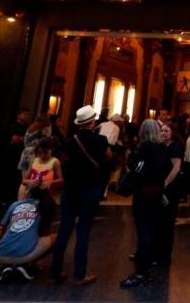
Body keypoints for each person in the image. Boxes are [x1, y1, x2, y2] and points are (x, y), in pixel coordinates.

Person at [49, 105, 111, 285]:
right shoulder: (101, 140)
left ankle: (55, 271)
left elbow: (64, 161)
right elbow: (109, 157)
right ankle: (80, 274)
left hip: (71, 190)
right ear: (93, 122)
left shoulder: (69, 141)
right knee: (83, 230)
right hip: (90, 190)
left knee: (64, 230)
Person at [120, 120, 171, 287]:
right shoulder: (162, 147)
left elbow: (137, 168)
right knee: (151, 231)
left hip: (143, 195)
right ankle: (147, 268)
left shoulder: (145, 147)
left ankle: (141, 272)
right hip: (156, 193)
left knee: (143, 233)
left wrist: (131, 159)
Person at [0, 185, 56, 283]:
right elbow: (45, 233)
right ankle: (27, 264)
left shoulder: (15, 204)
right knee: (57, 238)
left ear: (29, 193)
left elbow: (2, 228)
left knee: (11, 233)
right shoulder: (43, 206)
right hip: (24, 255)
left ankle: (7, 265)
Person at [156, 120, 184, 267]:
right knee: (160, 221)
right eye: (162, 130)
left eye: (166, 131)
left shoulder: (174, 147)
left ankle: (165, 256)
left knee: (167, 222)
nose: (163, 133)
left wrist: (165, 183)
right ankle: (158, 252)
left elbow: (176, 168)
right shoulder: (162, 146)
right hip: (162, 187)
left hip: (171, 189)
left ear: (172, 133)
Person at [20, 138, 62, 207]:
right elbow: (23, 180)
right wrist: (29, 181)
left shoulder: (55, 162)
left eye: (45, 153)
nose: (42, 156)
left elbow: (61, 180)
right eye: (40, 153)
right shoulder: (33, 161)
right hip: (32, 194)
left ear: (51, 150)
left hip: (46, 195)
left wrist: (50, 182)